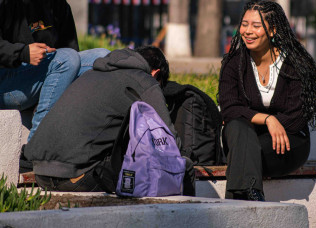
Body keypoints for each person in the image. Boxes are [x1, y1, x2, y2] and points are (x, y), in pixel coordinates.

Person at [24, 46, 194, 194]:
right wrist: (188, 156)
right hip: (75, 177)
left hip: (41, 174)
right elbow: (168, 140)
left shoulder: (92, 73)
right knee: (180, 168)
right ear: (155, 73)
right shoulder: (144, 80)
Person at [0, 0, 109, 140]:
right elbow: (65, 58)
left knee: (102, 58)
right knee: (65, 58)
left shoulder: (57, 2)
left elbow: (72, 52)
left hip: (38, 78)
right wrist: (21, 53)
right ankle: (36, 147)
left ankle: (95, 137)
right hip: (6, 83)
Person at [218, 0, 316, 201]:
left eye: (256, 26)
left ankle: (235, 206)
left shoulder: (296, 64)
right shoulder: (234, 63)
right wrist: (268, 119)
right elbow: (229, 109)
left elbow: (296, 118)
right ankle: (253, 197)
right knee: (236, 127)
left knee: (243, 151)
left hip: (287, 143)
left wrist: (264, 122)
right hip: (244, 138)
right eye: (244, 24)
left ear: (273, 30)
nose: (248, 31)